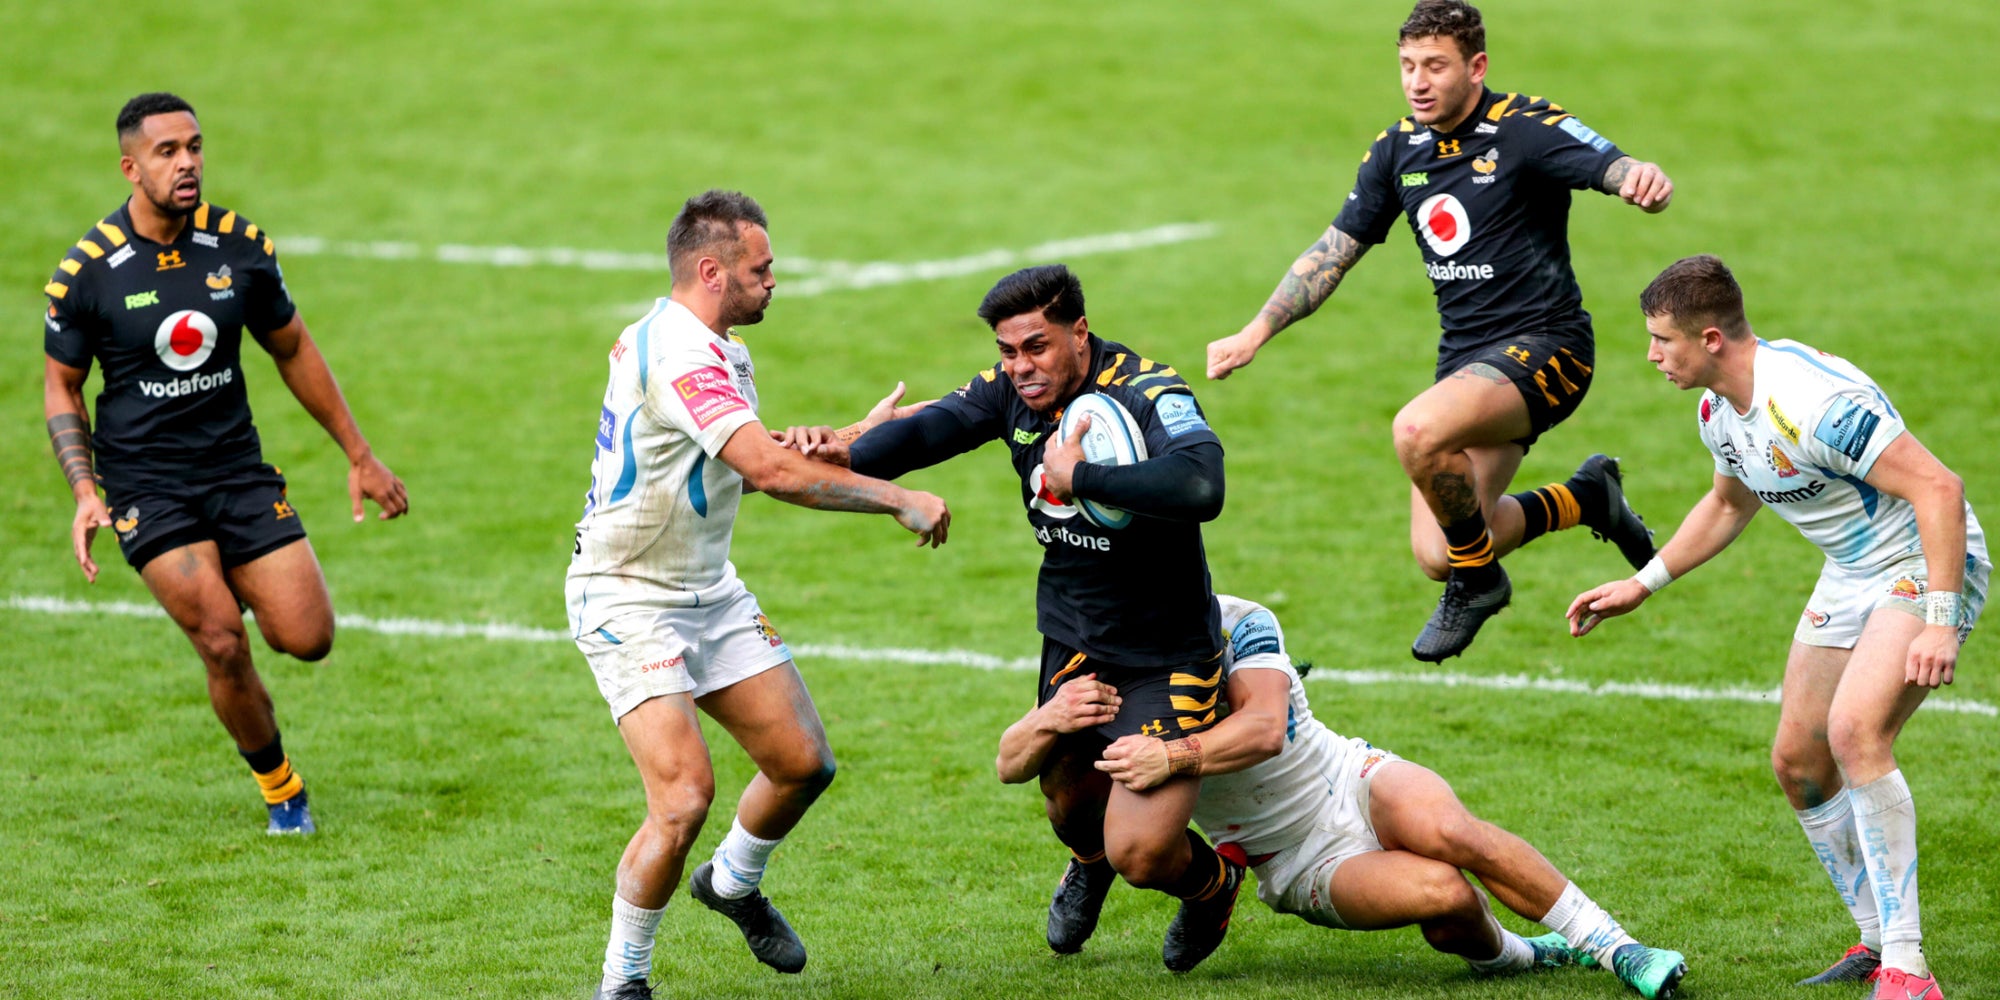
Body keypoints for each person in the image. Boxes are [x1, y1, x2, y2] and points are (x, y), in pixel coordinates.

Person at [791, 264, 1242, 971]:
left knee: (1142, 851)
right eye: (1007, 351)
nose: (1020, 368)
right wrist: (846, 448)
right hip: (1074, 632)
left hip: (1167, 649)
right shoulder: (1008, 390)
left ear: (1079, 332)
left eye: (1036, 347)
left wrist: (1079, 477)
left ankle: (1212, 887)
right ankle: (1086, 862)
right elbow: (929, 432)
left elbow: (1202, 485)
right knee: (1064, 793)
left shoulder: (1149, 389)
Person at [1567, 255, 1988, 1000]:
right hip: (1851, 572)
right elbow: (1728, 504)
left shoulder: (1815, 403)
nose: (1652, 355)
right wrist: (1642, 583)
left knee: (1855, 732)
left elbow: (1939, 488)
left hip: (1921, 562)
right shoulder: (1718, 411)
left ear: (1710, 339)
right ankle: (1874, 938)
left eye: (1663, 340)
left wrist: (1939, 622)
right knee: (1799, 762)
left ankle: (1910, 968)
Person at [567, 190, 951, 1000]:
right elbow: (770, 473)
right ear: (713, 271)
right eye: (761, 269)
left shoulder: (721, 349)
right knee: (683, 798)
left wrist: (850, 436)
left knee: (803, 764)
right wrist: (897, 497)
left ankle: (731, 882)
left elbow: (743, 453)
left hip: (707, 590)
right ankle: (621, 983)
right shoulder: (678, 352)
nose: (774, 281)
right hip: (627, 597)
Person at [1205, 0, 1673, 662]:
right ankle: (1586, 498)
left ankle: (1481, 585)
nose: (1417, 82)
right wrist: (1257, 330)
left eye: (1434, 66)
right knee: (1439, 551)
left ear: (1476, 67)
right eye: (1407, 66)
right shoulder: (1398, 148)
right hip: (1467, 365)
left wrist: (1639, 180)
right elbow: (1334, 252)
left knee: (1417, 432)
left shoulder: (1525, 128)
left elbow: (1612, 164)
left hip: (1550, 348)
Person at [999, 594, 1689, 998]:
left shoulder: (1241, 620)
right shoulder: (1109, 652)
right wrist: (1049, 717)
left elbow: (1265, 729)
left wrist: (1173, 754)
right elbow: (1010, 762)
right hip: (1298, 860)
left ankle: (1620, 949)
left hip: (1349, 779)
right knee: (1447, 898)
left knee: (1454, 833)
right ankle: (1523, 953)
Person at [41, 92, 410, 836]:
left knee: (308, 636)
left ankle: (221, 578)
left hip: (236, 471)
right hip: (146, 484)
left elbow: (292, 347)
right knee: (219, 639)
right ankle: (282, 789)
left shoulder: (239, 246)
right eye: (167, 152)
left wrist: (360, 454)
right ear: (130, 168)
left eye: (194, 147)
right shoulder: (87, 272)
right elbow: (62, 385)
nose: (187, 163)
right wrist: (85, 490)